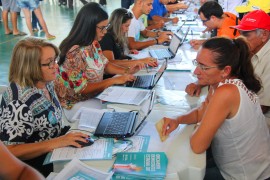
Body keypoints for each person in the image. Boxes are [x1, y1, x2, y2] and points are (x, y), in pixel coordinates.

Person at [162, 37, 270, 179]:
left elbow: (197, 145)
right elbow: (202, 111)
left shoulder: (226, 92)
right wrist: (178, 119)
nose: (196, 72)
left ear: (225, 70)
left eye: (204, 67)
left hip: (246, 175)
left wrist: (199, 127)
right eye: (197, 63)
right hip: (248, 165)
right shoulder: (224, 82)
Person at [0, 37, 91, 177]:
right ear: (30, 67)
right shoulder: (19, 102)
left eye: (54, 60)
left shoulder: (45, 83)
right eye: (48, 63)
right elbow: (10, 150)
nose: (55, 66)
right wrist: (57, 142)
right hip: (35, 169)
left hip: (54, 153)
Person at [55, 3, 139, 117]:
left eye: (106, 26)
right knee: (118, 113)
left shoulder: (93, 43)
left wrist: (126, 72)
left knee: (127, 107)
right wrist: (112, 81)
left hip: (94, 96)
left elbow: (105, 64)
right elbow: (82, 88)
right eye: (102, 28)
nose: (105, 31)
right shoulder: (73, 53)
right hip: (75, 104)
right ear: (89, 26)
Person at [231, 10, 270, 126]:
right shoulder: (251, 49)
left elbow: (263, 107)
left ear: (264, 35)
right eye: (240, 33)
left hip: (262, 120)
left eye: (246, 34)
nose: (240, 38)